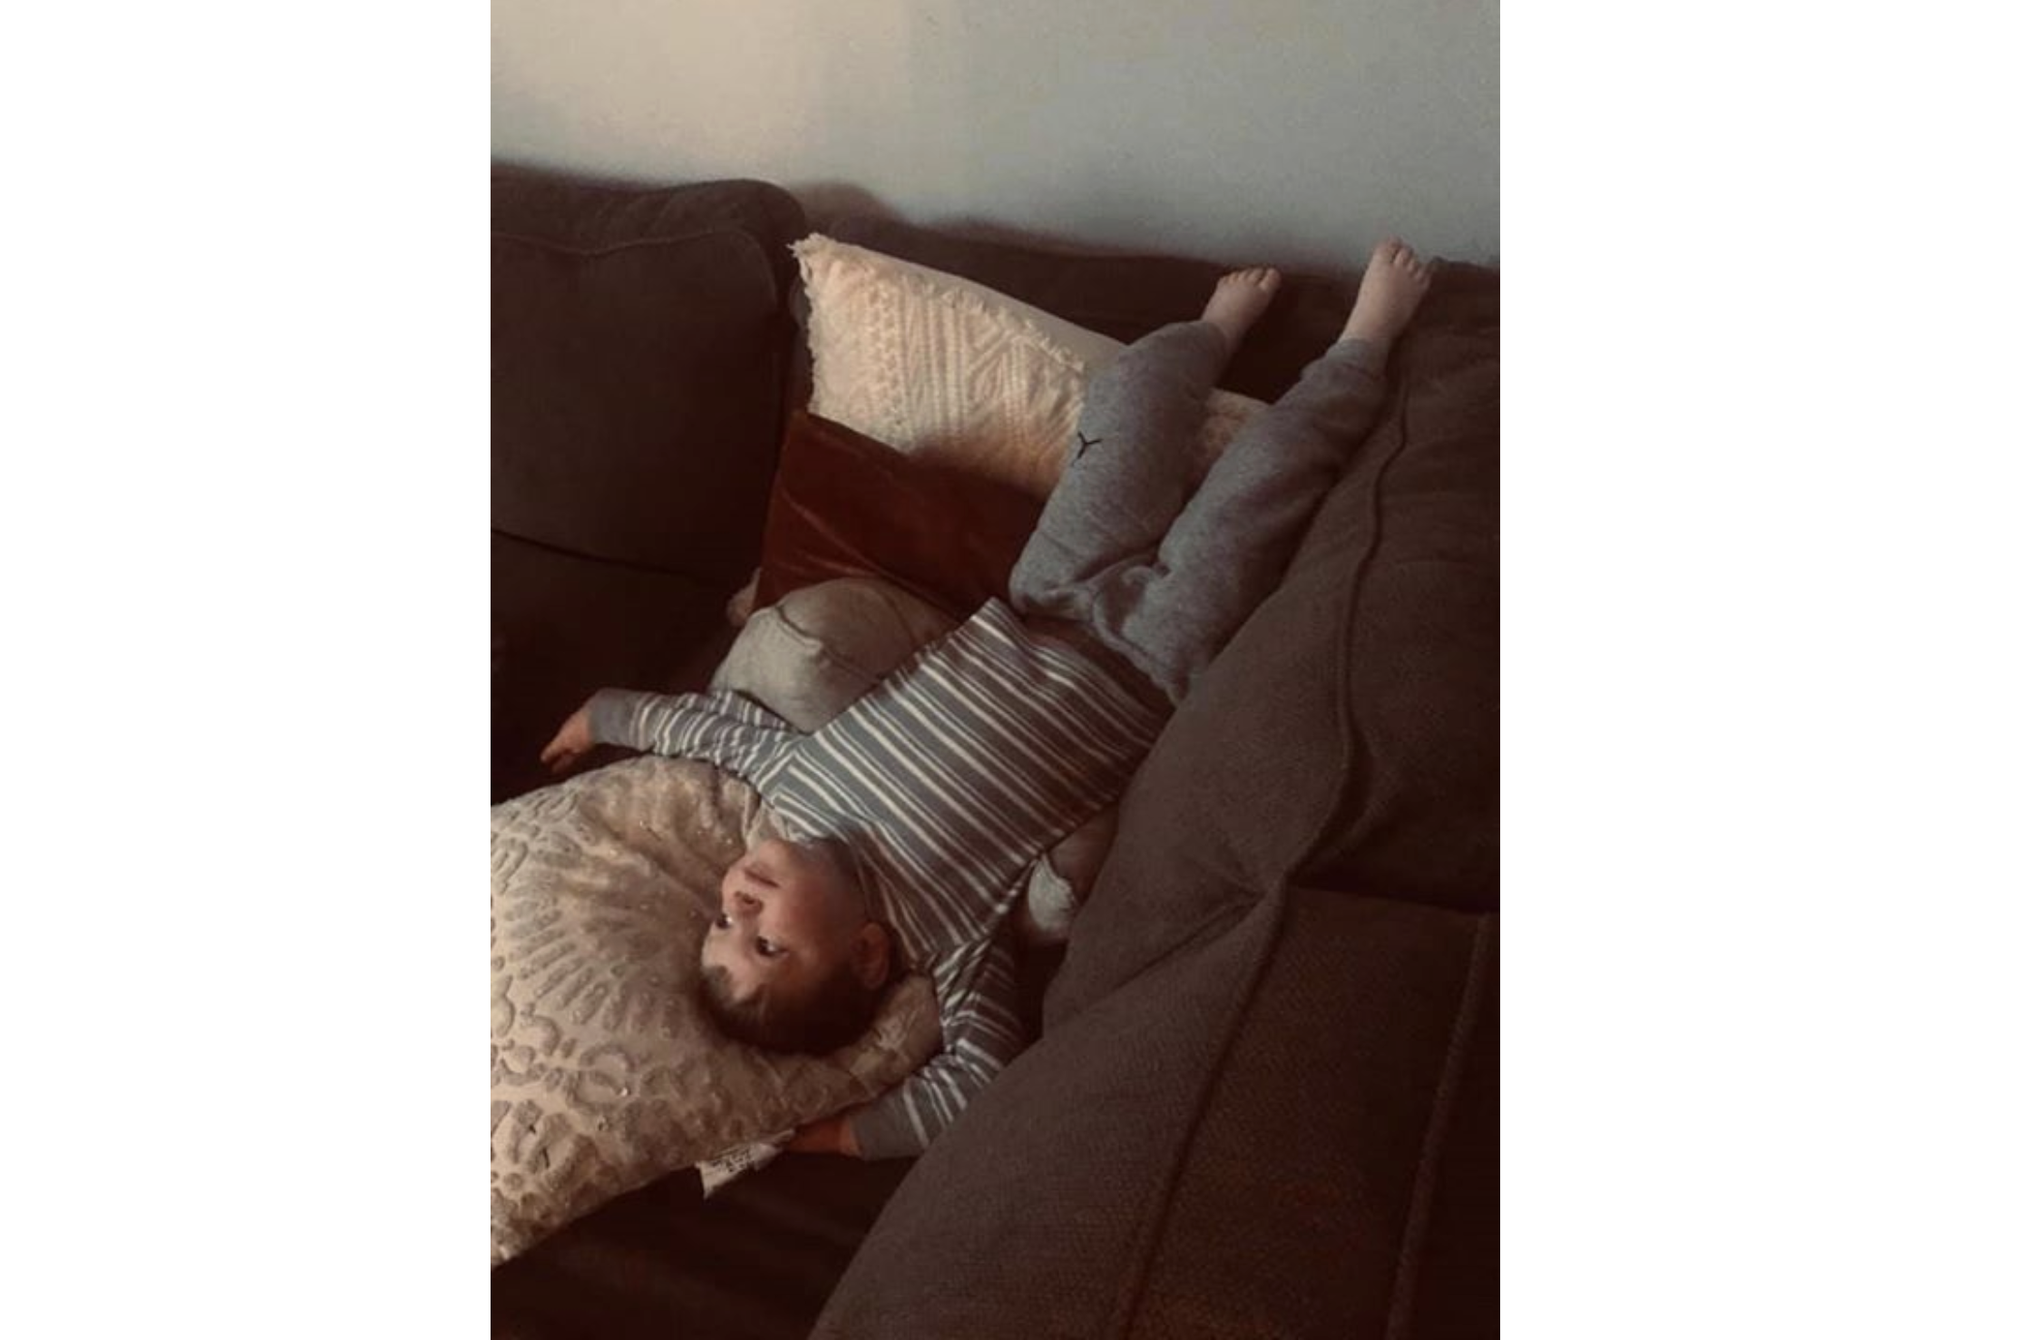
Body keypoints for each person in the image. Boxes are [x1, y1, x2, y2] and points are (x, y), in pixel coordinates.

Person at [539, 239, 1436, 1159]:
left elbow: (706, 728)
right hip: (1154, 659)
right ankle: (1365, 346)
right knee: (1267, 480)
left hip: (1044, 594)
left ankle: (1209, 333)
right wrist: (849, 1137)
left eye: (724, 923)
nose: (740, 904)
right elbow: (976, 1080)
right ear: (867, 955)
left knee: (1123, 415)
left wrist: (603, 713)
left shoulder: (792, 788)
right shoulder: (952, 936)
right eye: (767, 944)